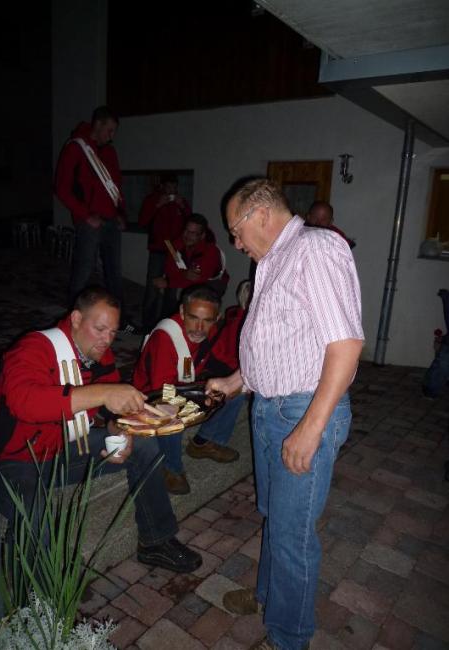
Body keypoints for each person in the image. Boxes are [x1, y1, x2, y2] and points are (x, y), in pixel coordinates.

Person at [208, 179, 364, 650]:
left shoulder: (315, 249)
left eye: (235, 230)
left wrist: (311, 427)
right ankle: (267, 598)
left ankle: (289, 636)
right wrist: (236, 381)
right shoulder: (273, 260)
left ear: (260, 214)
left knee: (293, 534)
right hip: (269, 407)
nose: (235, 242)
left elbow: (345, 345)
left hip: (302, 409)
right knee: (273, 517)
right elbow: (282, 341)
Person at [0, 286, 202, 574]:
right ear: (76, 319)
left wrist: (121, 431)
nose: (107, 340)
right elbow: (24, 402)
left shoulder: (99, 355)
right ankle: (36, 598)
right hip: (12, 462)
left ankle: (156, 541)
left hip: (62, 450)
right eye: (100, 329)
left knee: (144, 446)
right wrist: (103, 392)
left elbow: (109, 412)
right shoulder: (33, 348)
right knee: (36, 514)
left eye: (113, 332)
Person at [133, 285, 245, 495]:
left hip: (186, 386)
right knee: (171, 413)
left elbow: (224, 361)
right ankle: (170, 467)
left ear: (217, 318)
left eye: (207, 320)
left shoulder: (211, 331)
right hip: (151, 397)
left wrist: (235, 384)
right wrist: (199, 404)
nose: (200, 327)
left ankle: (204, 442)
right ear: (182, 312)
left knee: (236, 391)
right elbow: (164, 393)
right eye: (193, 318)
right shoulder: (166, 337)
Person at [54, 106, 138, 333]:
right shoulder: (76, 147)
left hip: (111, 220)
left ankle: (120, 320)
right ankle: (72, 322)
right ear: (97, 124)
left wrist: (121, 214)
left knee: (114, 273)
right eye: (109, 130)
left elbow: (116, 186)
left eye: (114, 131)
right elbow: (62, 188)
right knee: (83, 271)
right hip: (89, 220)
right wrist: (84, 215)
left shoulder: (109, 152)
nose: (112, 136)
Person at [139, 173, 191, 331]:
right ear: (162, 186)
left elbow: (191, 224)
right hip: (158, 249)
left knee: (172, 286)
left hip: (175, 251)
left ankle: (168, 325)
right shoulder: (152, 200)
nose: (171, 190)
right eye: (168, 186)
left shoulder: (180, 202)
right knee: (153, 287)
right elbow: (142, 221)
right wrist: (157, 205)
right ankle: (147, 325)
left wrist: (182, 207)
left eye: (174, 186)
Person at [156, 213, 227, 318]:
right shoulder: (174, 246)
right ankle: (168, 321)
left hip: (209, 285)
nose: (187, 236)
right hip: (184, 280)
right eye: (186, 231)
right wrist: (182, 275)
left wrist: (170, 282)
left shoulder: (211, 251)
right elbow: (169, 270)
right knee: (167, 291)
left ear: (202, 236)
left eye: (193, 233)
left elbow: (198, 279)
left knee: (196, 297)